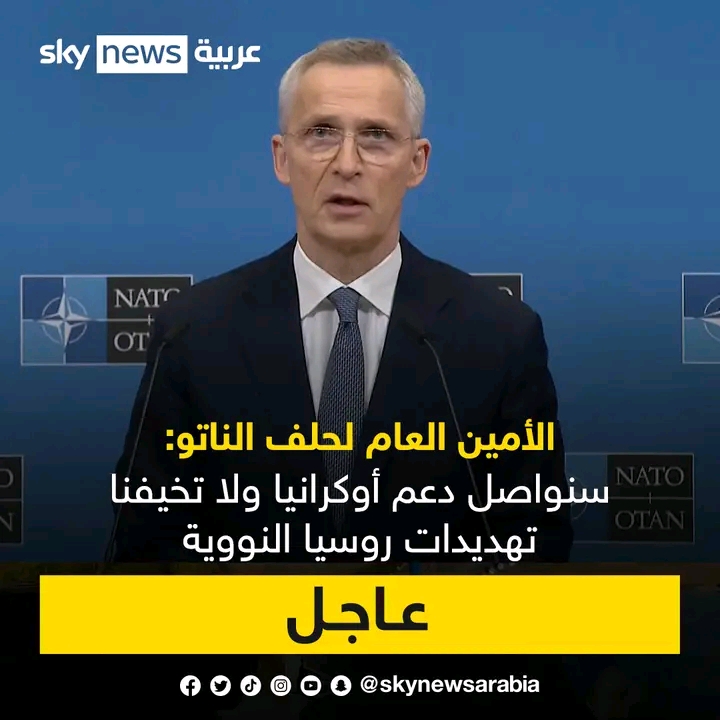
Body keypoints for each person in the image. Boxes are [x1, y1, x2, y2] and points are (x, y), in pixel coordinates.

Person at [111, 38, 584, 716]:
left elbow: (535, 558)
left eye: (377, 136)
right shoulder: (194, 329)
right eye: (322, 133)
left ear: (417, 162)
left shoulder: (500, 334)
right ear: (282, 158)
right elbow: (142, 556)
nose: (347, 163)